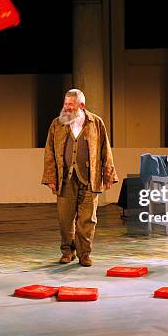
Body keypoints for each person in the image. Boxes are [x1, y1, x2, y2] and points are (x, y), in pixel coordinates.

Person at [42, 89, 118, 266]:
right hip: (65, 178)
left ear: (81, 106)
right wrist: (50, 177)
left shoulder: (95, 123)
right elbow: (49, 152)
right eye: (65, 103)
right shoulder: (57, 124)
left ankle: (84, 253)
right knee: (65, 218)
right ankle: (68, 251)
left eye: (70, 105)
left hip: (90, 178)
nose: (66, 108)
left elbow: (105, 150)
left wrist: (108, 176)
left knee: (87, 219)